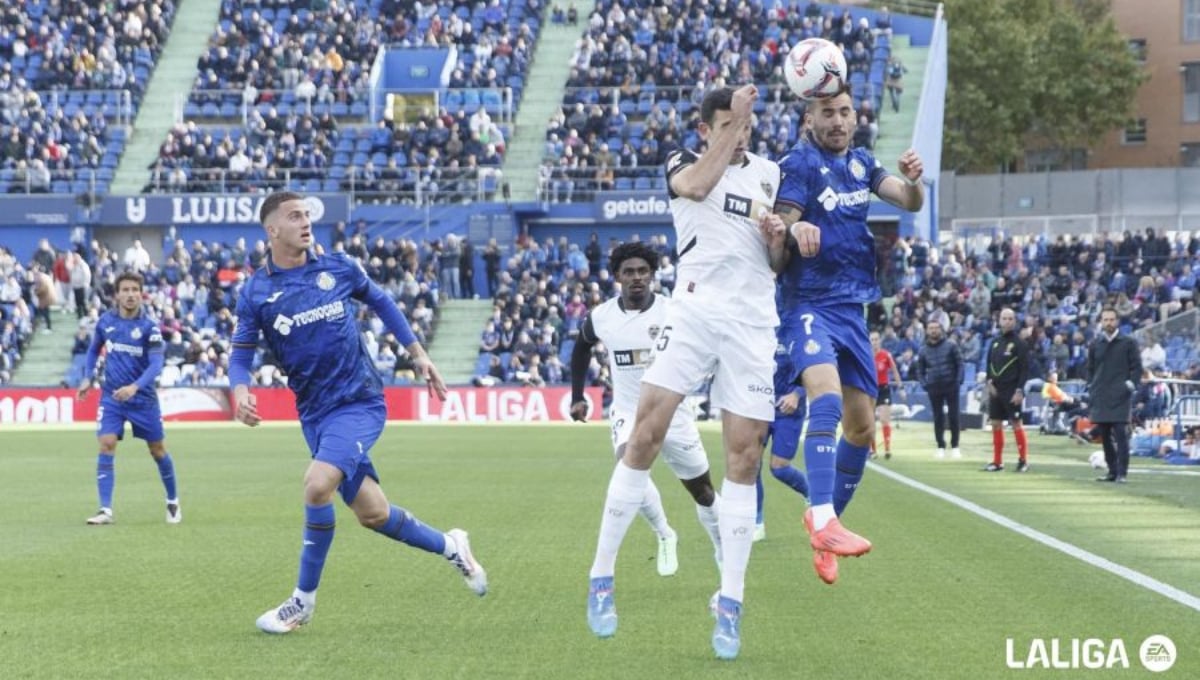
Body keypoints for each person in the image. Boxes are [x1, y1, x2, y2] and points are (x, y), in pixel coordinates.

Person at [584, 85, 783, 660]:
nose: (741, 131)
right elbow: (698, 186)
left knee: (744, 459)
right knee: (642, 437)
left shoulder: (771, 173)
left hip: (752, 324)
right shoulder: (683, 163)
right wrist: (730, 127)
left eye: (745, 124)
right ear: (706, 129)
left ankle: (731, 602)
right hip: (693, 312)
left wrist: (781, 240)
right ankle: (602, 578)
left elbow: (779, 264)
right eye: (728, 124)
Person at [229, 192, 487, 635]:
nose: (305, 222)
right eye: (294, 217)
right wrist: (239, 390)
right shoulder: (256, 291)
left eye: (307, 215)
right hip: (314, 413)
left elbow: (383, 302)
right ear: (271, 230)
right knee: (374, 514)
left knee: (316, 486)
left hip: (359, 402)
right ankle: (452, 546)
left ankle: (301, 603)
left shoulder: (339, 268)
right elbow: (240, 353)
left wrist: (418, 354)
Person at [772, 84, 925, 585]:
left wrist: (915, 181)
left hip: (853, 308)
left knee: (861, 430)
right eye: (827, 113)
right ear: (809, 119)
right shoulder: (798, 164)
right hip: (808, 302)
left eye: (845, 112)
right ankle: (822, 517)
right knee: (827, 399)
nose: (838, 121)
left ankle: (824, 527)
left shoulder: (862, 163)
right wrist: (793, 231)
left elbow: (908, 201)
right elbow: (780, 231)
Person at [570, 241, 726, 579]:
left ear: (653, 275)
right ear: (617, 277)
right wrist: (577, 395)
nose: (637, 278)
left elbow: (708, 345)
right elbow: (581, 348)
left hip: (675, 415)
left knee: (703, 491)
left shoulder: (674, 312)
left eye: (643, 271)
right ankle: (665, 533)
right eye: (629, 272)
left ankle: (721, 547)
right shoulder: (602, 317)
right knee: (630, 467)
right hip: (629, 412)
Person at [76, 271, 179, 525]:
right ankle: (105, 510)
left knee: (157, 450)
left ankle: (173, 500)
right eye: (126, 290)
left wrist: (134, 387)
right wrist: (89, 377)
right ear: (117, 294)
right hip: (112, 397)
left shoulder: (149, 328)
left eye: (135, 289)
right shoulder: (105, 322)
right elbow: (92, 350)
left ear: (141, 294)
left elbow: (156, 365)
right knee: (107, 443)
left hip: (143, 400)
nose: (131, 294)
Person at [756, 330, 810, 544]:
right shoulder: (758, 330)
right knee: (751, 466)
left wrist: (797, 394)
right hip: (759, 406)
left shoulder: (794, 331)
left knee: (779, 468)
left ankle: (811, 494)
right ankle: (756, 523)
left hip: (788, 410)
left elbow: (811, 368)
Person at [1087, 307, 1142, 484]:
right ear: (1101, 322)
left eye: (1111, 319)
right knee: (1104, 436)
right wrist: (1091, 386)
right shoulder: (1096, 343)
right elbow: (1090, 368)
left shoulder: (1128, 342)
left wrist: (1130, 385)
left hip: (1120, 395)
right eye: (1105, 320)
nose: (1109, 323)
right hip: (1101, 394)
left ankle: (1122, 473)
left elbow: (1137, 367)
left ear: (1117, 321)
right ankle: (1111, 471)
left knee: (1121, 435)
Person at [984, 308, 1030, 472]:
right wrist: (989, 382)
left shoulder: (1020, 343)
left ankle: (1023, 460)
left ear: (1015, 321)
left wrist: (1019, 390)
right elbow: (989, 364)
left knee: (1016, 423)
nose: (1007, 321)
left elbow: (1025, 369)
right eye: (1004, 318)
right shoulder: (994, 342)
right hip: (996, 390)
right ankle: (997, 462)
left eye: (1011, 318)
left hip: (1012, 389)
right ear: (999, 321)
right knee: (996, 424)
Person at [915, 320, 964, 459]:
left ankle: (955, 446)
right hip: (934, 386)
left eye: (936, 328)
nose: (934, 330)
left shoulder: (951, 345)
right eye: (931, 328)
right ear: (927, 330)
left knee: (954, 416)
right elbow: (920, 370)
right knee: (938, 417)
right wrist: (925, 384)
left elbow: (960, 363)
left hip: (951, 385)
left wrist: (958, 381)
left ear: (941, 330)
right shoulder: (923, 350)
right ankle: (940, 446)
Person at [870, 330, 905, 459]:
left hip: (884, 389)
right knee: (870, 422)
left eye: (876, 339)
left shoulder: (886, 355)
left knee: (885, 420)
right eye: (872, 340)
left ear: (880, 341)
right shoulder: (866, 355)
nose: (874, 342)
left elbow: (895, 371)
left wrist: (900, 387)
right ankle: (873, 450)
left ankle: (887, 449)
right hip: (870, 390)